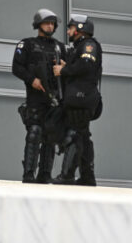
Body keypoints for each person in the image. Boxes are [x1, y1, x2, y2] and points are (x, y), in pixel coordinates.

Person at [12, 9, 65, 183]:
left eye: (52, 23)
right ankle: (28, 174)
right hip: (36, 98)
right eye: (47, 23)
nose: (50, 26)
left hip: (55, 99)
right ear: (38, 24)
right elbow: (17, 67)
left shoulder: (59, 47)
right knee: (34, 133)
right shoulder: (27, 44)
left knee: (51, 137)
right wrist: (31, 79)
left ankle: (45, 175)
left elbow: (68, 71)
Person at [52, 14, 102, 186]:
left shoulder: (89, 45)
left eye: (71, 27)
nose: (68, 31)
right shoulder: (80, 47)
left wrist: (63, 71)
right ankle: (87, 177)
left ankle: (67, 175)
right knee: (83, 137)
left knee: (75, 135)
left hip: (82, 99)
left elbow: (86, 65)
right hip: (79, 98)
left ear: (81, 29)